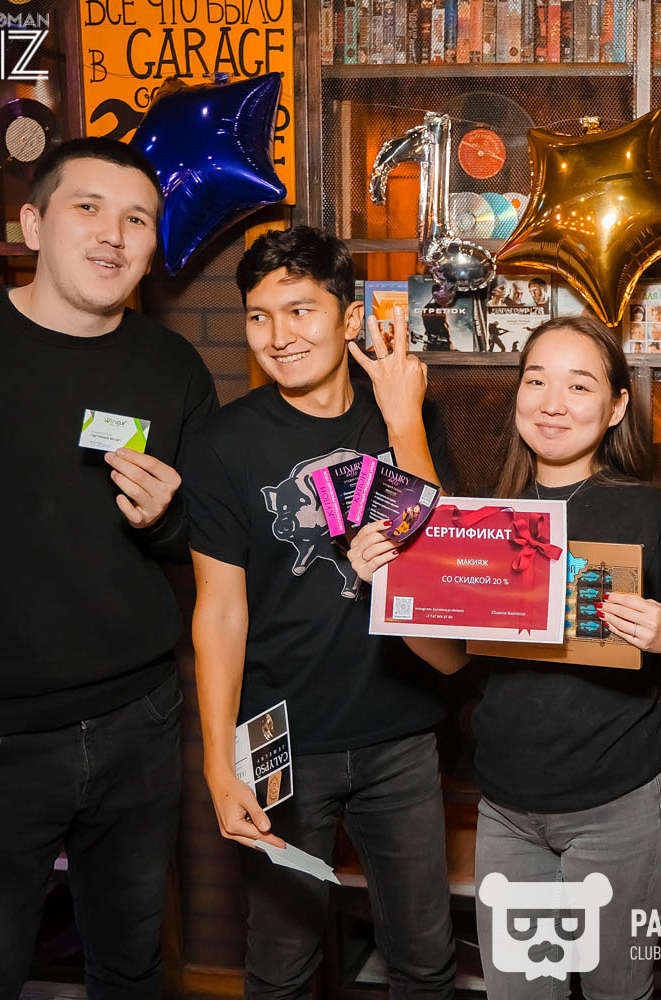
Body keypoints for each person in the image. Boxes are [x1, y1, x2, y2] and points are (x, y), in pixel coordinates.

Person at [0, 137, 216, 999]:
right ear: (32, 224)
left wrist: (169, 517)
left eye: (137, 219)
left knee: (132, 967)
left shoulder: (171, 366)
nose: (113, 234)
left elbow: (202, 539)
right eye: (87, 208)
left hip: (140, 722)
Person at [349, 314, 661, 999]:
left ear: (616, 407)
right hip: (508, 812)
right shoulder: (489, 516)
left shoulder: (649, 513)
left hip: (623, 809)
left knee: (616, 991)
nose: (553, 404)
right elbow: (449, 661)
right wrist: (392, 590)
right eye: (536, 381)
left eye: (579, 386)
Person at [183, 227, 456, 999]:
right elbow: (219, 612)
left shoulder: (401, 417)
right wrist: (217, 763)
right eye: (259, 316)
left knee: (424, 958)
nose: (279, 335)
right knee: (280, 961)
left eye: (300, 310)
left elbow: (441, 571)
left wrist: (404, 421)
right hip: (278, 735)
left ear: (349, 318)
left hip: (400, 728)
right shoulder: (223, 444)